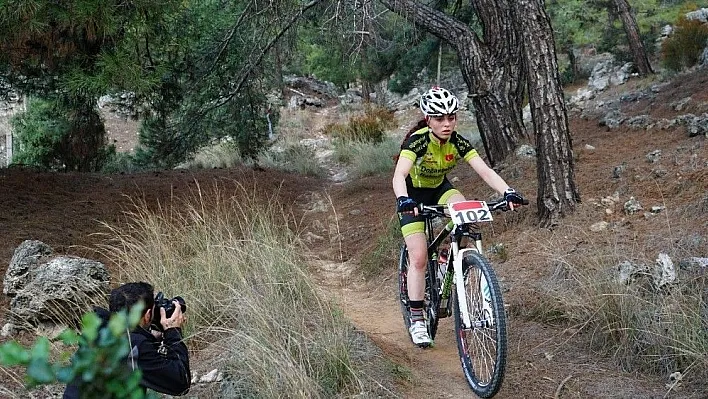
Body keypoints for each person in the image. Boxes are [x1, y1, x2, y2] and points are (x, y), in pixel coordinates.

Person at [392, 87, 526, 347]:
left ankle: (447, 255)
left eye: (451, 117)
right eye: (440, 119)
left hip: (440, 190)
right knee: (419, 257)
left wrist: (508, 192)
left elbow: (484, 171)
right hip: (413, 196)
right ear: (428, 119)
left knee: (465, 212)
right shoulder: (417, 141)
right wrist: (403, 200)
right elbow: (399, 175)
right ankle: (418, 318)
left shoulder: (458, 141)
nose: (447, 123)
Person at [63, 282, 191, 397]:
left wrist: (151, 337)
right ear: (147, 315)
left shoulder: (98, 333)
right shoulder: (135, 344)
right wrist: (172, 331)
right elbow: (180, 383)